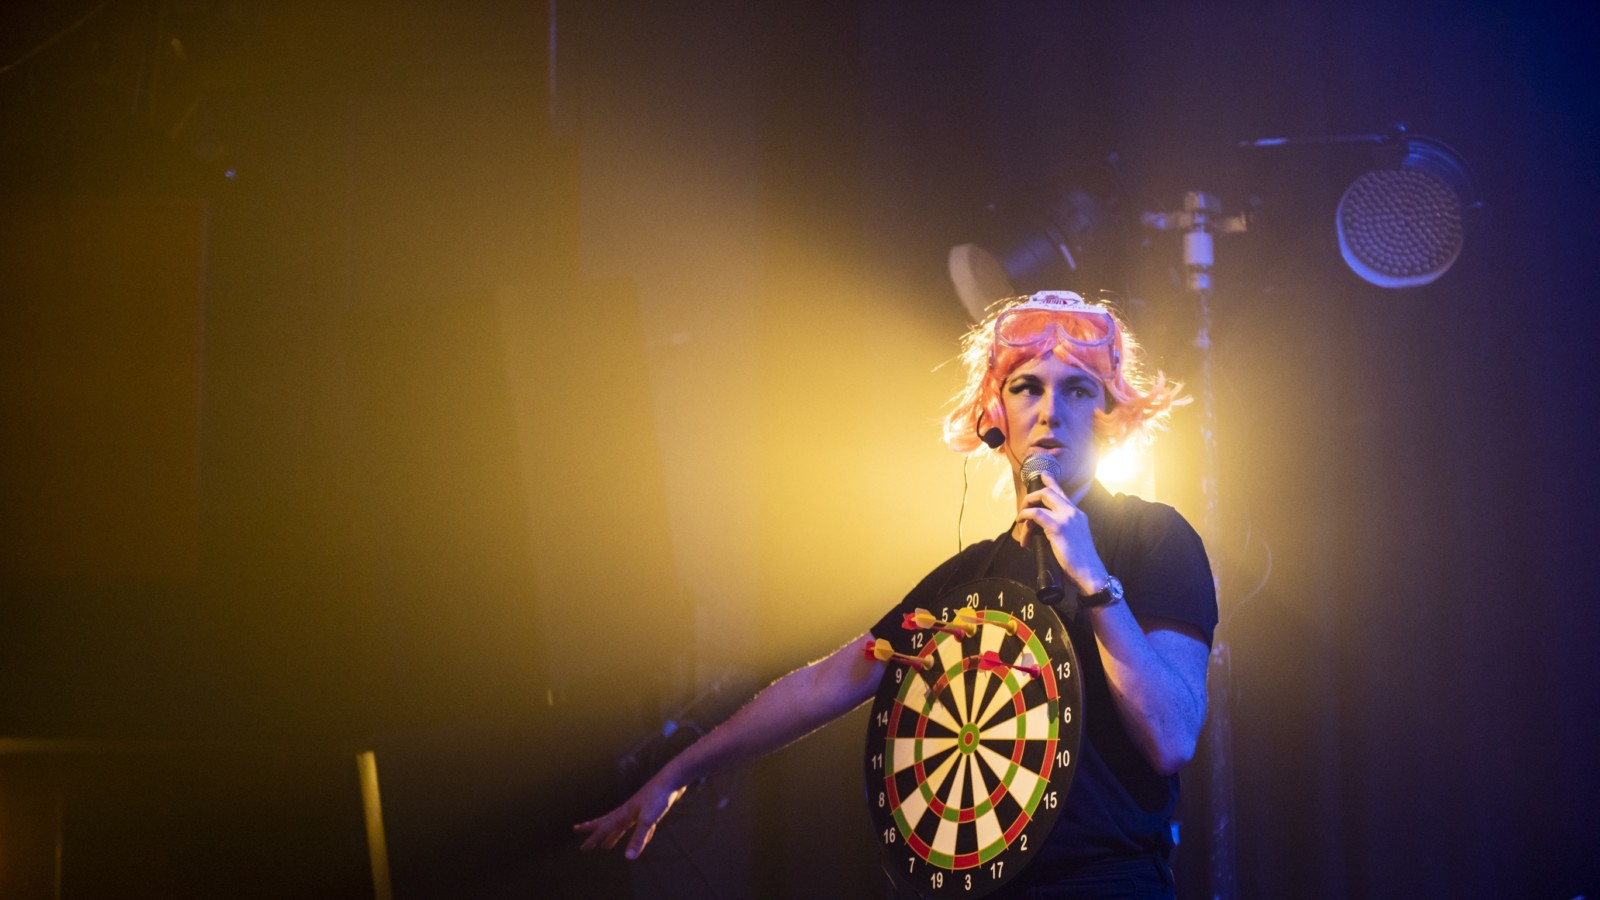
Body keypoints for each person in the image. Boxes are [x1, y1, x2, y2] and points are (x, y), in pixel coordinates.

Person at [575, 291, 1216, 899]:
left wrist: (1094, 580)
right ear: (995, 417)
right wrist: (679, 772)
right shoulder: (966, 580)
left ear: (1108, 417)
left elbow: (1171, 738)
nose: (1051, 411)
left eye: (1078, 390)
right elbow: (823, 683)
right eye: (1027, 387)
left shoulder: (1152, 536)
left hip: (1105, 884)